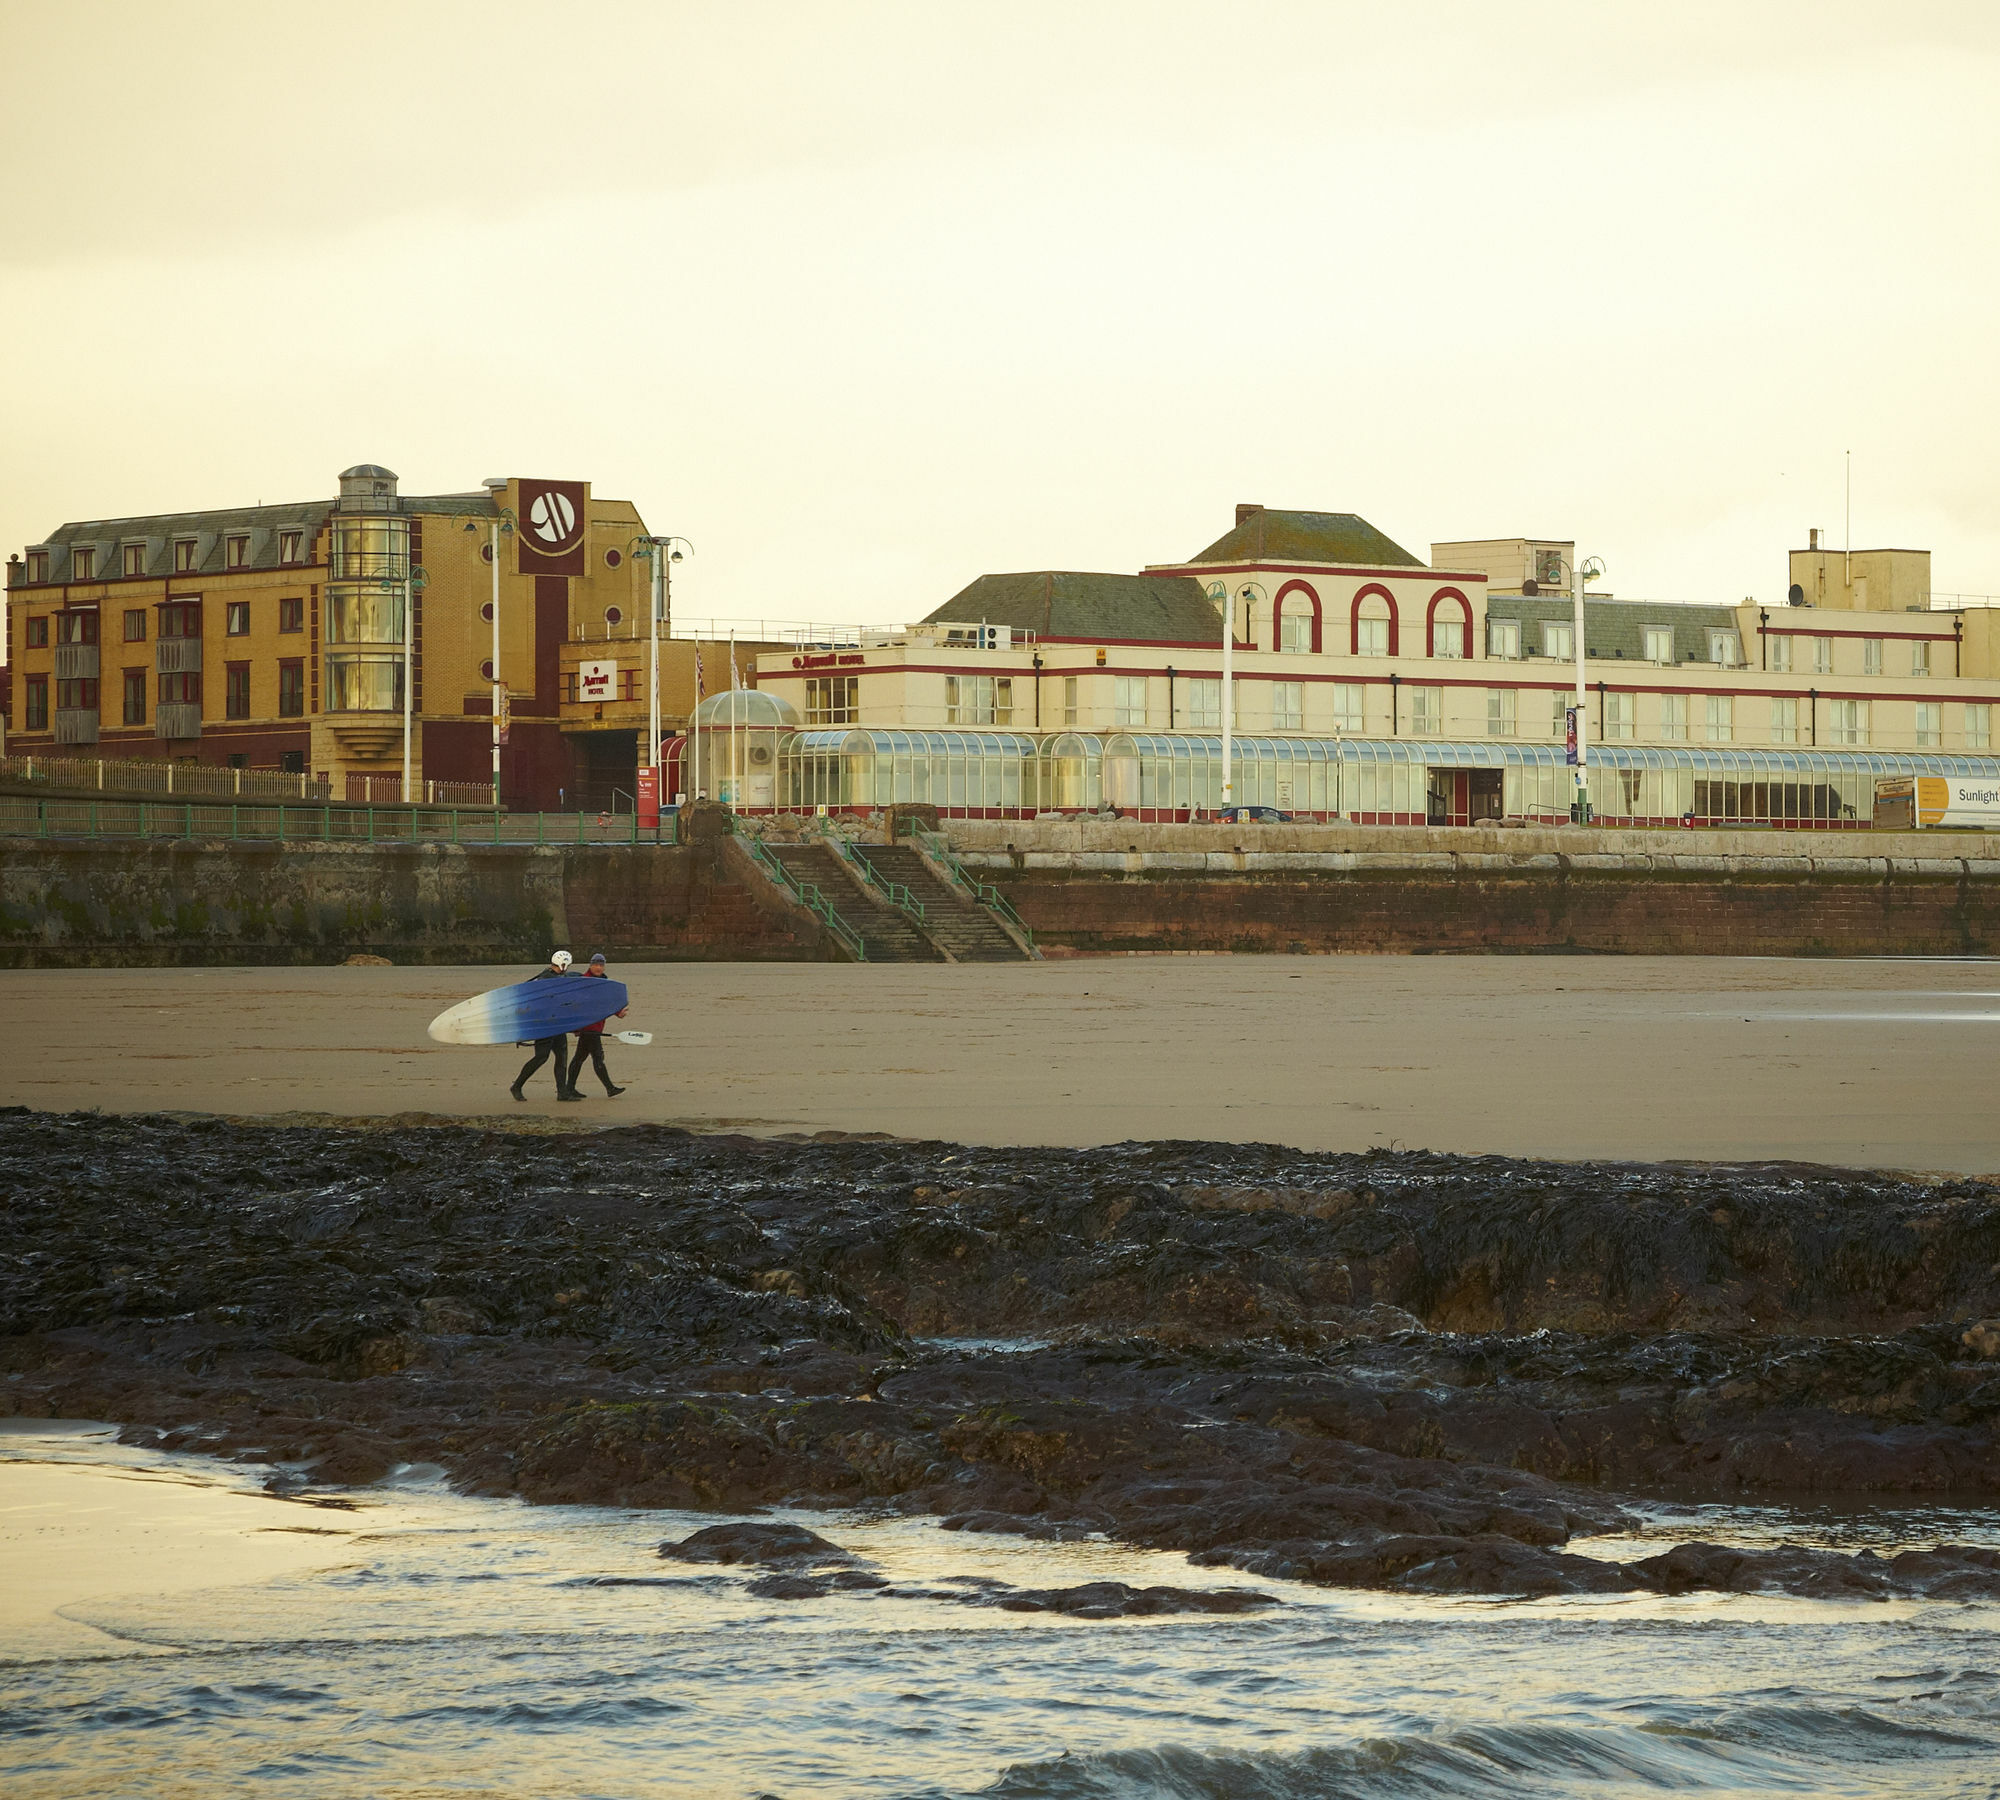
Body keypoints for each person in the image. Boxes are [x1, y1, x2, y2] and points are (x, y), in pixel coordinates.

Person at [511, 950, 583, 1102]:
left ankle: (562, 1093)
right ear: (562, 964)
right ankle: (516, 1086)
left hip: (558, 1024)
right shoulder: (545, 979)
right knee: (541, 1057)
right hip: (544, 1024)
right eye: (566, 965)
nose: (566, 968)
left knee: (561, 1057)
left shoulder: (557, 977)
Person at [566, 952, 628, 1097]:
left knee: (579, 1058)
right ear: (590, 965)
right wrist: (575, 1026)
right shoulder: (584, 982)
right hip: (588, 1026)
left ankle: (569, 1088)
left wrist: (618, 1013)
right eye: (595, 965)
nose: (598, 968)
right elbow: (577, 1003)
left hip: (596, 1026)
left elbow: (607, 1002)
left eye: (601, 965)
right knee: (597, 1057)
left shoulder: (605, 983)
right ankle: (610, 1088)